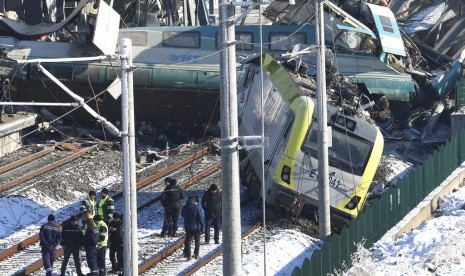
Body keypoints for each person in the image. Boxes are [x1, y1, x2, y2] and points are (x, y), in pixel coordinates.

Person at [181, 195, 204, 260]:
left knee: (188, 240)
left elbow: (182, 215)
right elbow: (200, 217)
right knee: (197, 241)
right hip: (196, 227)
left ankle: (188, 255)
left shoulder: (185, 207)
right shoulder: (196, 207)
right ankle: (196, 254)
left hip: (187, 226)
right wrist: (202, 226)